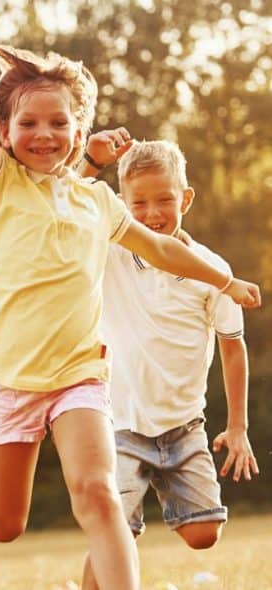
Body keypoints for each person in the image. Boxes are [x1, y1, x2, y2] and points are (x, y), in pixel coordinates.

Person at [0, 2, 260, 588]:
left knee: (101, 497)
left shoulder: (97, 201)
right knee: (5, 525)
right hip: (9, 378)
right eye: (28, 124)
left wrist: (222, 279)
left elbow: (163, 250)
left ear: (80, 132)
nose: (44, 134)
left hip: (80, 375)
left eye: (59, 123)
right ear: (6, 134)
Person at [79, 138, 260, 590]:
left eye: (164, 199)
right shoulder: (111, 253)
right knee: (113, 528)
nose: (153, 212)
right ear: (121, 203)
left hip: (183, 428)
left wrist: (237, 426)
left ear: (186, 198)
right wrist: (90, 161)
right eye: (138, 202)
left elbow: (232, 348)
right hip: (119, 423)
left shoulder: (213, 270)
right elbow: (67, 201)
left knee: (203, 534)